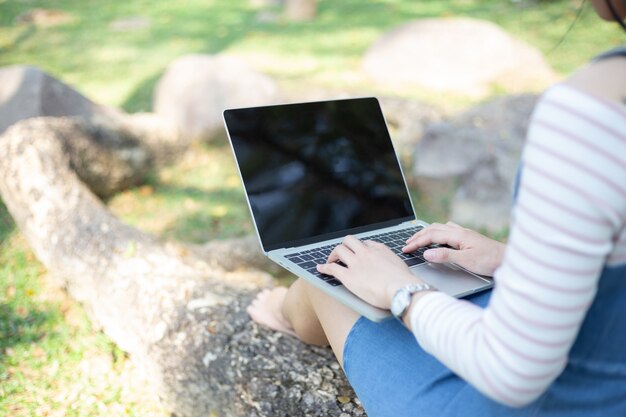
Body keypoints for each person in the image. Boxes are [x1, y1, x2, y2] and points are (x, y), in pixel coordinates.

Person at [247, 1, 626, 415]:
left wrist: (402, 290)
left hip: (565, 399)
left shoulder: (595, 107)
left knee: (331, 273)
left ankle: (284, 313)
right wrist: (513, 260)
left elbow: (513, 372)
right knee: (361, 263)